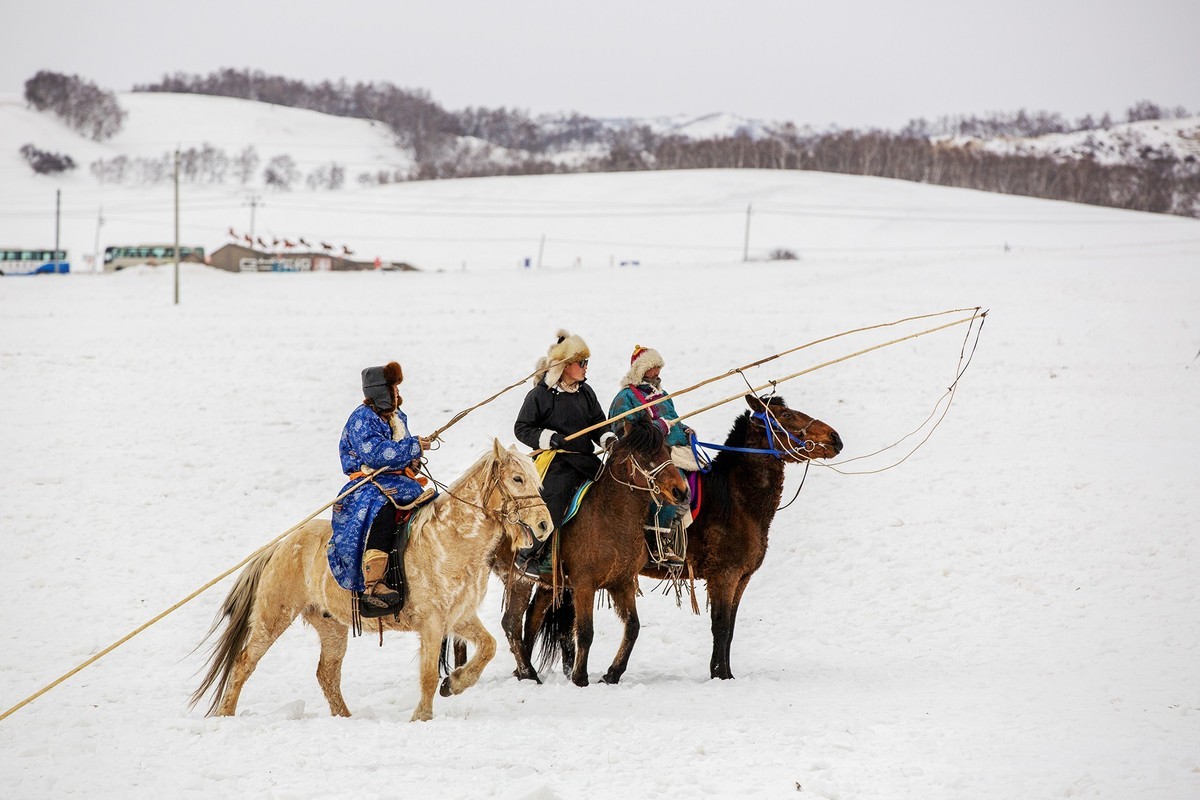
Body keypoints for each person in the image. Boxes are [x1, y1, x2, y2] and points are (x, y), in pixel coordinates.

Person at [329, 361, 435, 613]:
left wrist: (414, 458)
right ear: (381, 391)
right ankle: (374, 583)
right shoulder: (361, 419)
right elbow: (376, 454)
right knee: (384, 511)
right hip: (368, 484)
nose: (397, 393)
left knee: (430, 507)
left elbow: (400, 452)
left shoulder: (397, 418)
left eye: (397, 388)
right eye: (393, 388)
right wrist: (413, 447)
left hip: (398, 481)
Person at [513, 329, 615, 577]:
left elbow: (598, 423)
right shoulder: (540, 395)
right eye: (582, 363)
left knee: (614, 487)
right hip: (556, 461)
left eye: (586, 363)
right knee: (554, 499)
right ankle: (532, 553)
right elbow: (522, 428)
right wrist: (548, 438)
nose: (585, 368)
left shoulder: (586, 392)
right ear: (566, 365)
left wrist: (608, 438)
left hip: (585, 459)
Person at [608, 345, 699, 567]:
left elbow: (673, 418)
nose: (657, 371)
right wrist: (659, 428)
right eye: (652, 367)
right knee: (673, 487)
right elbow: (623, 429)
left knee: (704, 478)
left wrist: (684, 429)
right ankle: (658, 542)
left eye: (658, 367)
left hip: (677, 448)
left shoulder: (663, 395)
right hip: (650, 455)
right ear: (640, 370)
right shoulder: (625, 397)